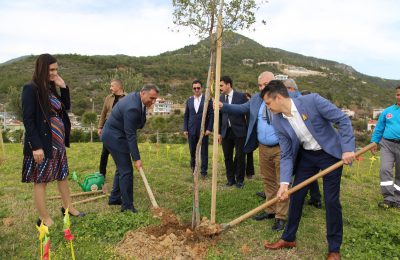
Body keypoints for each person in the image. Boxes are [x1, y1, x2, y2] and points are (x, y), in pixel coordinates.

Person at [261, 80, 355, 260]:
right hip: (307, 156)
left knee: (331, 200)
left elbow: (342, 119)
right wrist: (284, 184)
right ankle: (288, 238)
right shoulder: (278, 121)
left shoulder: (313, 101)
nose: (268, 107)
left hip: (330, 154)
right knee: (296, 196)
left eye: (268, 103)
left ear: (279, 97)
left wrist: (348, 148)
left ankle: (334, 249)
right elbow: (287, 153)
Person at [219, 71, 288, 231]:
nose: (263, 88)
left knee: (282, 183)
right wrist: (223, 106)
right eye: (260, 85)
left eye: (266, 84)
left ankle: (280, 217)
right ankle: (270, 210)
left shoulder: (282, 98)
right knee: (268, 180)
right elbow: (242, 108)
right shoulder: (257, 98)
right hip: (263, 147)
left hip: (281, 148)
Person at [21, 54, 85, 228]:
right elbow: (28, 119)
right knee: (41, 180)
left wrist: (63, 87)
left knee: (62, 176)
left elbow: (65, 107)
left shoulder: (50, 88)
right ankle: (44, 218)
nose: (54, 73)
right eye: (51, 69)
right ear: (42, 68)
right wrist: (36, 146)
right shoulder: (31, 88)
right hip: (42, 143)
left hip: (57, 142)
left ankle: (69, 207)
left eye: (56, 69)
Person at [101, 84, 159, 213]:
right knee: (126, 171)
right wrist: (136, 159)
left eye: (155, 99)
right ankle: (127, 206)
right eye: (151, 98)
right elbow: (131, 135)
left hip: (116, 134)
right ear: (143, 93)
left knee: (121, 167)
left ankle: (115, 197)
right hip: (114, 137)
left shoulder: (137, 99)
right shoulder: (132, 107)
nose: (153, 101)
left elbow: (138, 124)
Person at [283, 79, 322, 209]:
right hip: (299, 145)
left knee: (303, 172)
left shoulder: (299, 102)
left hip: (303, 145)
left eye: (286, 89)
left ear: (292, 89)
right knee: (307, 173)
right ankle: (314, 197)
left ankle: (306, 197)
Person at [371, 86, 400, 209]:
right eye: (398, 94)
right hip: (387, 144)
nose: (399, 97)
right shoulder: (388, 111)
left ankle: (398, 200)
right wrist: (374, 142)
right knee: (384, 169)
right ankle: (388, 198)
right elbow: (379, 128)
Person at [219, 76, 248, 188]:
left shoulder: (241, 96)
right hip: (226, 131)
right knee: (227, 157)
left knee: (240, 156)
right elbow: (219, 117)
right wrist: (218, 132)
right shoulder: (220, 98)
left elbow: (247, 112)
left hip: (240, 131)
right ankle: (230, 180)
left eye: (221, 85)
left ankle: (240, 180)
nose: (220, 88)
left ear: (228, 85)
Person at [183, 79, 214, 178]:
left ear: (202, 88)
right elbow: (186, 115)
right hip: (191, 130)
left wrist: (209, 128)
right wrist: (185, 129)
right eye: (194, 88)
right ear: (192, 89)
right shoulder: (189, 100)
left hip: (203, 130)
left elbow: (211, 114)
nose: (196, 90)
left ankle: (203, 172)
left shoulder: (207, 99)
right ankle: (193, 169)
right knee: (192, 151)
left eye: (198, 88)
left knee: (204, 151)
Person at [97, 79, 127, 178]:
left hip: (120, 130)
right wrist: (100, 127)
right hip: (108, 128)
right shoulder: (108, 98)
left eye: (112, 86)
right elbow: (103, 113)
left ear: (119, 87)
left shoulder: (127, 98)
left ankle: (121, 173)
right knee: (104, 153)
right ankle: (102, 174)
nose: (110, 88)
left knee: (119, 153)